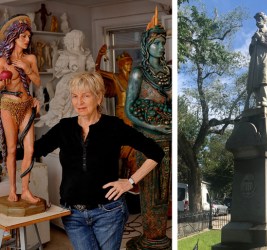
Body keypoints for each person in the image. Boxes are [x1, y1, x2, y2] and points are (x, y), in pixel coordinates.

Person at [29, 71, 164, 250]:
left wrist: (130, 182)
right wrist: (29, 118)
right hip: (72, 214)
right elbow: (31, 151)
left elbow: (156, 152)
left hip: (109, 212)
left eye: (86, 95)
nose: (79, 102)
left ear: (99, 97)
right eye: (75, 96)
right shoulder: (64, 127)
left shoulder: (114, 126)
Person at [125, 7, 172, 249]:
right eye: (155, 43)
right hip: (146, 139)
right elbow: (129, 111)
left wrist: (169, 127)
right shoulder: (137, 74)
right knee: (150, 189)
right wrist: (153, 128)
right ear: (146, 46)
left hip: (167, 139)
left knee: (164, 190)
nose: (160, 47)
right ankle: (150, 237)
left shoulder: (169, 73)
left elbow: (173, 104)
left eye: (163, 43)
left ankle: (159, 237)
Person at [0, 14, 41, 203]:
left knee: (30, 149)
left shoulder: (30, 58)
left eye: (28, 37)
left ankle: (25, 190)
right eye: (23, 36)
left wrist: (27, 68)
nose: (27, 40)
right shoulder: (2, 61)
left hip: (26, 105)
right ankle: (13, 189)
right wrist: (2, 84)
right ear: (14, 37)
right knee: (11, 149)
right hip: (8, 106)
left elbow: (37, 82)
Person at [95, 47, 139, 193]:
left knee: (137, 146)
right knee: (128, 146)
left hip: (135, 115)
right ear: (121, 65)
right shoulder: (115, 77)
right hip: (123, 115)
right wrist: (100, 55)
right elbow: (97, 71)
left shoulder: (134, 80)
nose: (129, 66)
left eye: (130, 63)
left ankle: (133, 178)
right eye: (127, 63)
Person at [35, 29, 95, 128]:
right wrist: (70, 69)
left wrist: (90, 70)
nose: (79, 40)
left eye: (80, 38)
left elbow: (91, 68)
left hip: (84, 79)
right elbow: (59, 70)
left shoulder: (86, 53)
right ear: (71, 40)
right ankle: (50, 116)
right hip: (70, 79)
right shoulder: (66, 53)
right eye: (76, 38)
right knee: (63, 93)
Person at [244, 12, 267, 110]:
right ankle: (257, 102)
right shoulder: (255, 35)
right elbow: (251, 51)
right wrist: (253, 43)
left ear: (265, 20)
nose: (257, 21)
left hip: (266, 58)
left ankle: (264, 100)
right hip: (255, 60)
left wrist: (261, 38)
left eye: (259, 18)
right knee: (255, 81)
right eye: (256, 19)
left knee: (264, 79)